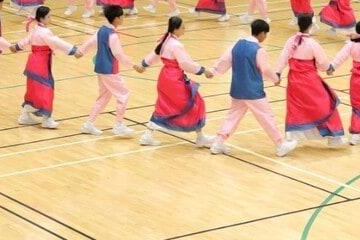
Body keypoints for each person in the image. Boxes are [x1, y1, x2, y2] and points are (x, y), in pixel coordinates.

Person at [207, 19, 297, 156]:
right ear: (261, 33)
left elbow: (224, 60)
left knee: (232, 116)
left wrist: (214, 71)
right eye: (265, 34)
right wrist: (275, 79)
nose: (265, 37)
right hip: (253, 90)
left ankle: (218, 143)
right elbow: (265, 69)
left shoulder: (237, 44)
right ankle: (280, 144)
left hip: (237, 88)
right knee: (266, 116)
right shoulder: (259, 50)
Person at [134, 17, 214, 148]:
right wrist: (203, 70)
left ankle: (147, 135)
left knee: (163, 106)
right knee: (195, 102)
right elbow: (185, 64)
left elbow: (154, 55)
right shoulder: (176, 45)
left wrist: (143, 65)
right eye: (183, 27)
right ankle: (200, 137)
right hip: (174, 79)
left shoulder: (166, 40)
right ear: (176, 29)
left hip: (165, 78)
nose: (184, 29)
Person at [274, 16, 346, 147]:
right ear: (310, 25)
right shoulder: (313, 43)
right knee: (326, 105)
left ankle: (293, 137)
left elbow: (283, 57)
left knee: (296, 108)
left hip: (294, 80)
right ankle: (334, 137)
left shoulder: (291, 41)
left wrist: (278, 73)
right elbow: (323, 63)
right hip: (309, 80)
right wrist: (329, 68)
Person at [10, 6, 81, 129]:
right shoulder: (44, 32)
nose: (50, 18)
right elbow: (56, 42)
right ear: (42, 18)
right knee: (46, 90)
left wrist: (16, 46)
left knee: (33, 89)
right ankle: (46, 119)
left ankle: (25, 115)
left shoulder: (35, 29)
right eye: (49, 16)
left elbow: (25, 40)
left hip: (33, 62)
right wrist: (73, 50)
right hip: (41, 64)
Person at [77, 4, 135, 137]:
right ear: (115, 19)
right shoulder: (113, 36)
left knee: (104, 96)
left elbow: (91, 42)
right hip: (109, 69)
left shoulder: (101, 30)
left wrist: (81, 51)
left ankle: (89, 124)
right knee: (123, 94)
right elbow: (118, 54)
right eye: (121, 17)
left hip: (100, 68)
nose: (123, 19)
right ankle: (119, 125)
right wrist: (132, 65)